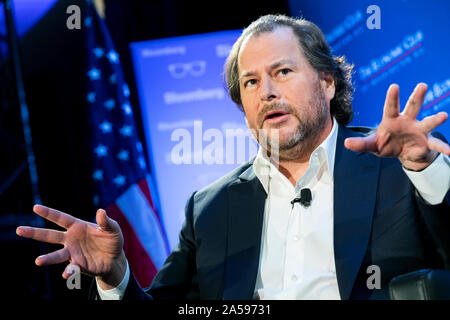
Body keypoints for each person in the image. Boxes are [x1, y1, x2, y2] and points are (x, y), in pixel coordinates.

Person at [17, 14, 450, 300]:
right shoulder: (210, 208)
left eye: (282, 71)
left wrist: (423, 168)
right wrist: (115, 276)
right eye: (250, 82)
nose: (267, 92)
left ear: (327, 82)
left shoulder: (400, 165)